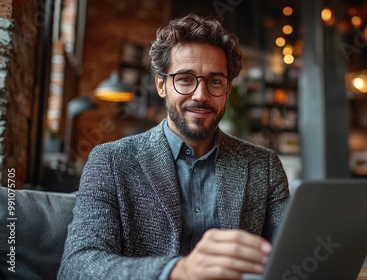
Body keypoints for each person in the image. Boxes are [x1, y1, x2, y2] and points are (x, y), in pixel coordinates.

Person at [58, 13, 290, 280]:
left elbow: (291, 256)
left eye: (215, 81)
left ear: (228, 90)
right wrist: (176, 271)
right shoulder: (111, 161)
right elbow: (77, 267)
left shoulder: (264, 165)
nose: (201, 95)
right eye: (185, 79)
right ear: (161, 85)